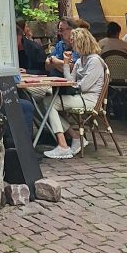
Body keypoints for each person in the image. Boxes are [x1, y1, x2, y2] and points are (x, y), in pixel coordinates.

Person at [43, 28, 106, 159]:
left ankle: (63, 145)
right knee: (47, 101)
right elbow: (71, 80)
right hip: (80, 96)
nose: (71, 43)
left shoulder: (94, 61)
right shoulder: (80, 60)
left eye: (73, 41)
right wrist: (66, 64)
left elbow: (84, 86)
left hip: (90, 100)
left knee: (49, 102)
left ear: (81, 42)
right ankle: (75, 138)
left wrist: (73, 84)